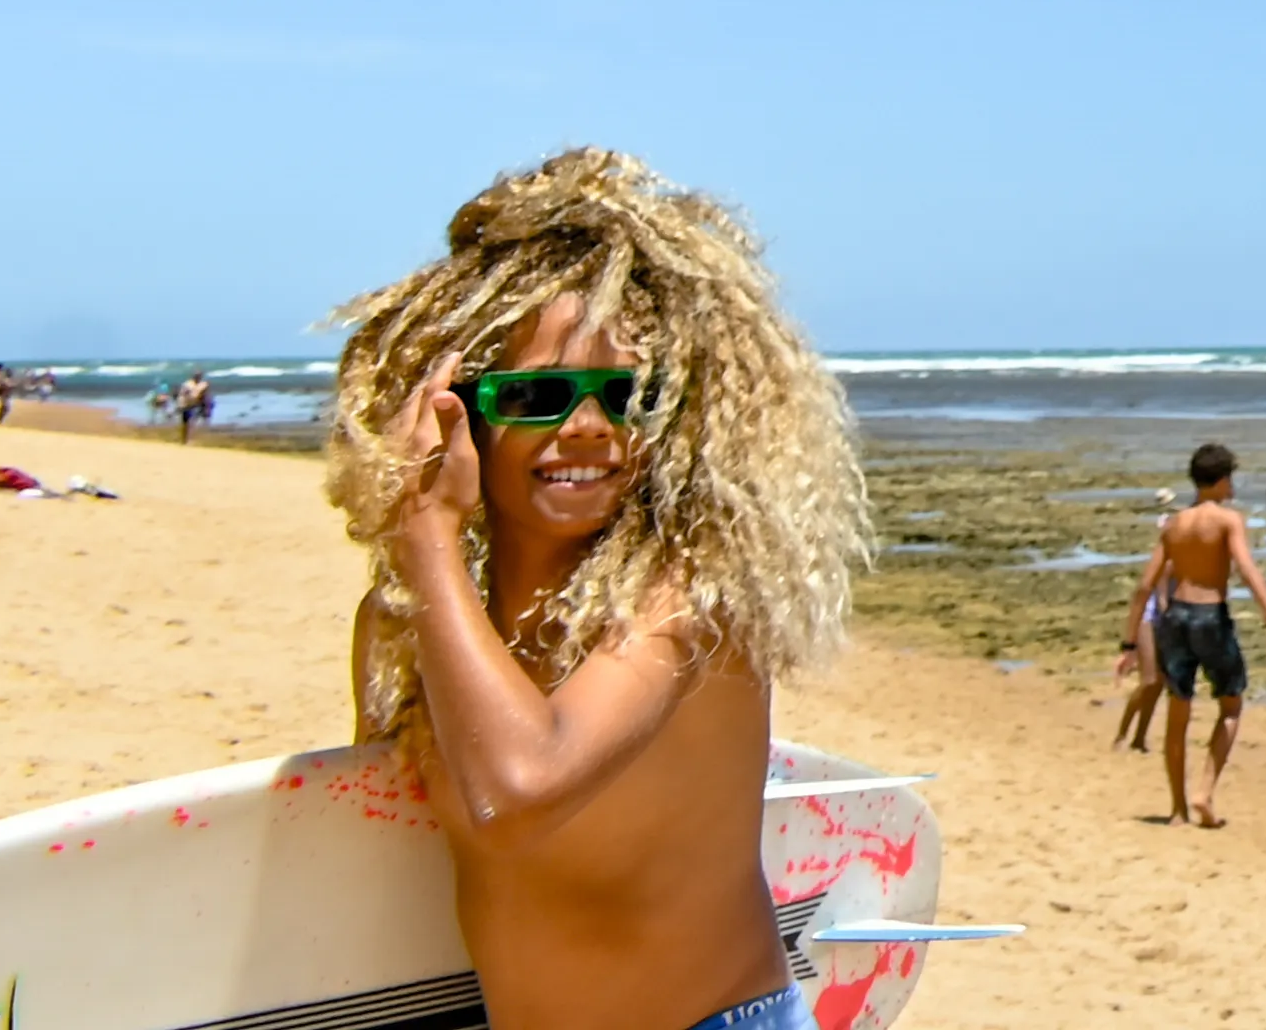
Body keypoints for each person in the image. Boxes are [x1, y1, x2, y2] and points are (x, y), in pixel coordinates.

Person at [322, 146, 862, 1030]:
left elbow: (519, 789)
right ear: (456, 408)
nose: (587, 428)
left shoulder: (686, 597)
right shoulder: (411, 619)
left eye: (626, 394)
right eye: (538, 394)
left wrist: (425, 537)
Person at [1146, 442, 1266, 826]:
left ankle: (1176, 809)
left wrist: (1130, 641)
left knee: (1178, 711)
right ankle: (1203, 792)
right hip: (1210, 615)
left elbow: (1145, 584)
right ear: (1224, 479)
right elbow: (1247, 569)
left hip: (1174, 616)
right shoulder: (1227, 520)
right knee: (1231, 704)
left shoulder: (1174, 524)